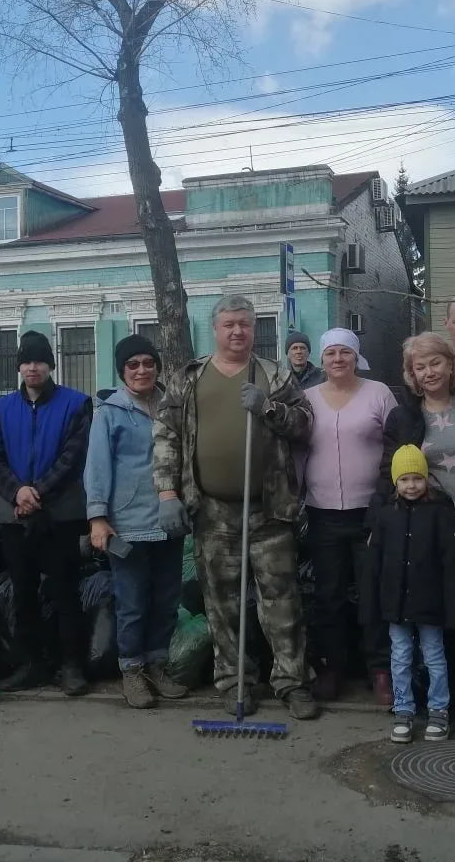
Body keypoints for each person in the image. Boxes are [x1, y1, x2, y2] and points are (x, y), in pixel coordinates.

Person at [152, 294, 318, 720]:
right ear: (216, 328)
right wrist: (167, 493)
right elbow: (166, 435)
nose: (238, 331)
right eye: (229, 324)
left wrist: (269, 408)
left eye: (245, 324)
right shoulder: (189, 378)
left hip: (270, 510)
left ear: (254, 327)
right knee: (220, 602)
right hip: (212, 510)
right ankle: (233, 680)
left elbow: (304, 426)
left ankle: (292, 681)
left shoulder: (275, 376)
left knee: (281, 600)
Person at [381, 331, 455, 715]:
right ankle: (444, 690)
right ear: (412, 374)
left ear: (452, 364)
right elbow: (390, 471)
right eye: (421, 366)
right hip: (431, 528)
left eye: (436, 363)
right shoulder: (404, 416)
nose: (429, 372)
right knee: (441, 608)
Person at [84, 334, 189, 709]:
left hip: (170, 519)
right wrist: (97, 517)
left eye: (148, 362)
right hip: (126, 522)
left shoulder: (172, 405)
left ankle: (157, 665)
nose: (142, 370)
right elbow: (97, 467)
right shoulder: (110, 412)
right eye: (133, 365)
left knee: (165, 600)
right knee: (131, 602)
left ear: (157, 366)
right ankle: (132, 671)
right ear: (122, 371)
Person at [0, 330, 93, 696]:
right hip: (15, 516)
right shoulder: (4, 408)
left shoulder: (76, 404)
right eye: (27, 361)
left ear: (51, 364)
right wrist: (17, 491)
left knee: (65, 592)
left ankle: (71, 666)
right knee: (23, 593)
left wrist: (39, 492)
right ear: (19, 367)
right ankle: (32, 664)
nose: (33, 368)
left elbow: (72, 457)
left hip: (59, 515)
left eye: (40, 361)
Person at [300, 328, 398, 701]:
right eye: (330, 354)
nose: (337, 359)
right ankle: (331, 667)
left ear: (356, 357)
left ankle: (380, 669)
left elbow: (396, 445)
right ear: (321, 360)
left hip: (370, 510)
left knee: (373, 592)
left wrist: (389, 496)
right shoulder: (307, 399)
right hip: (322, 511)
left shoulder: (378, 394)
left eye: (345, 353)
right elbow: (295, 451)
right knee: (328, 595)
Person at [362, 445, 455, 743]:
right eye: (405, 479)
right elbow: (375, 564)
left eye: (417, 478)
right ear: (395, 482)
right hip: (395, 605)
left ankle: (439, 709)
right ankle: (404, 709)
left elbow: (452, 563)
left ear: (426, 479)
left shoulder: (440, 513)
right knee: (400, 656)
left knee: (434, 655)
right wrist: (372, 605)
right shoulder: (385, 516)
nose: (411, 486)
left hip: (430, 603)